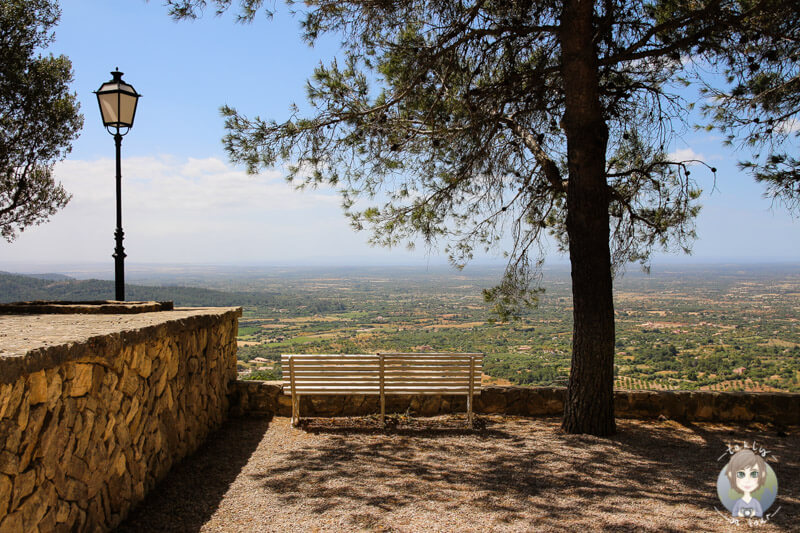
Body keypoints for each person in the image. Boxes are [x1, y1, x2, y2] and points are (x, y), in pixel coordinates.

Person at [726, 449, 767, 518]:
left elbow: (759, 513)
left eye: (754, 474)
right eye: (741, 474)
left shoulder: (755, 502)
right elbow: (734, 513)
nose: (747, 480)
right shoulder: (739, 502)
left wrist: (753, 513)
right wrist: (740, 514)